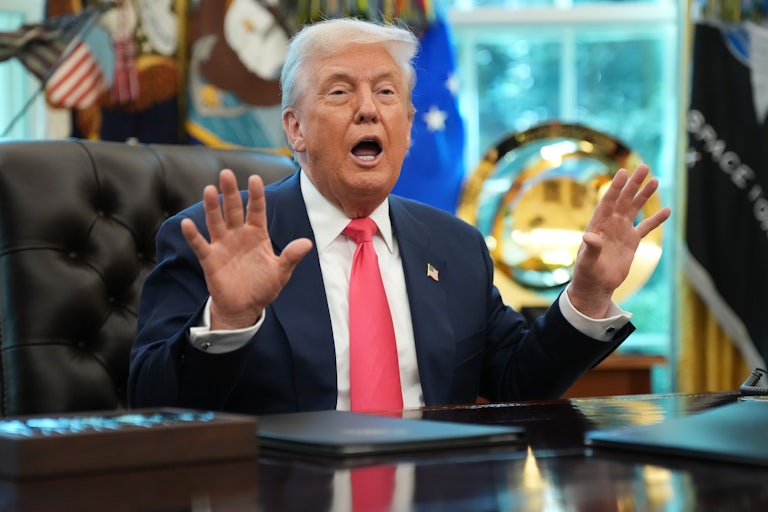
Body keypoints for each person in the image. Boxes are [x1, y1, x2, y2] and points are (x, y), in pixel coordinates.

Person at [128, 17, 671, 415]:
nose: (368, 108)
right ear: (294, 129)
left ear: (408, 127)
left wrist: (589, 296)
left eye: (386, 92)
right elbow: (151, 403)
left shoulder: (456, 247)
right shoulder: (211, 239)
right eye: (341, 91)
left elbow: (519, 381)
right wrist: (228, 322)